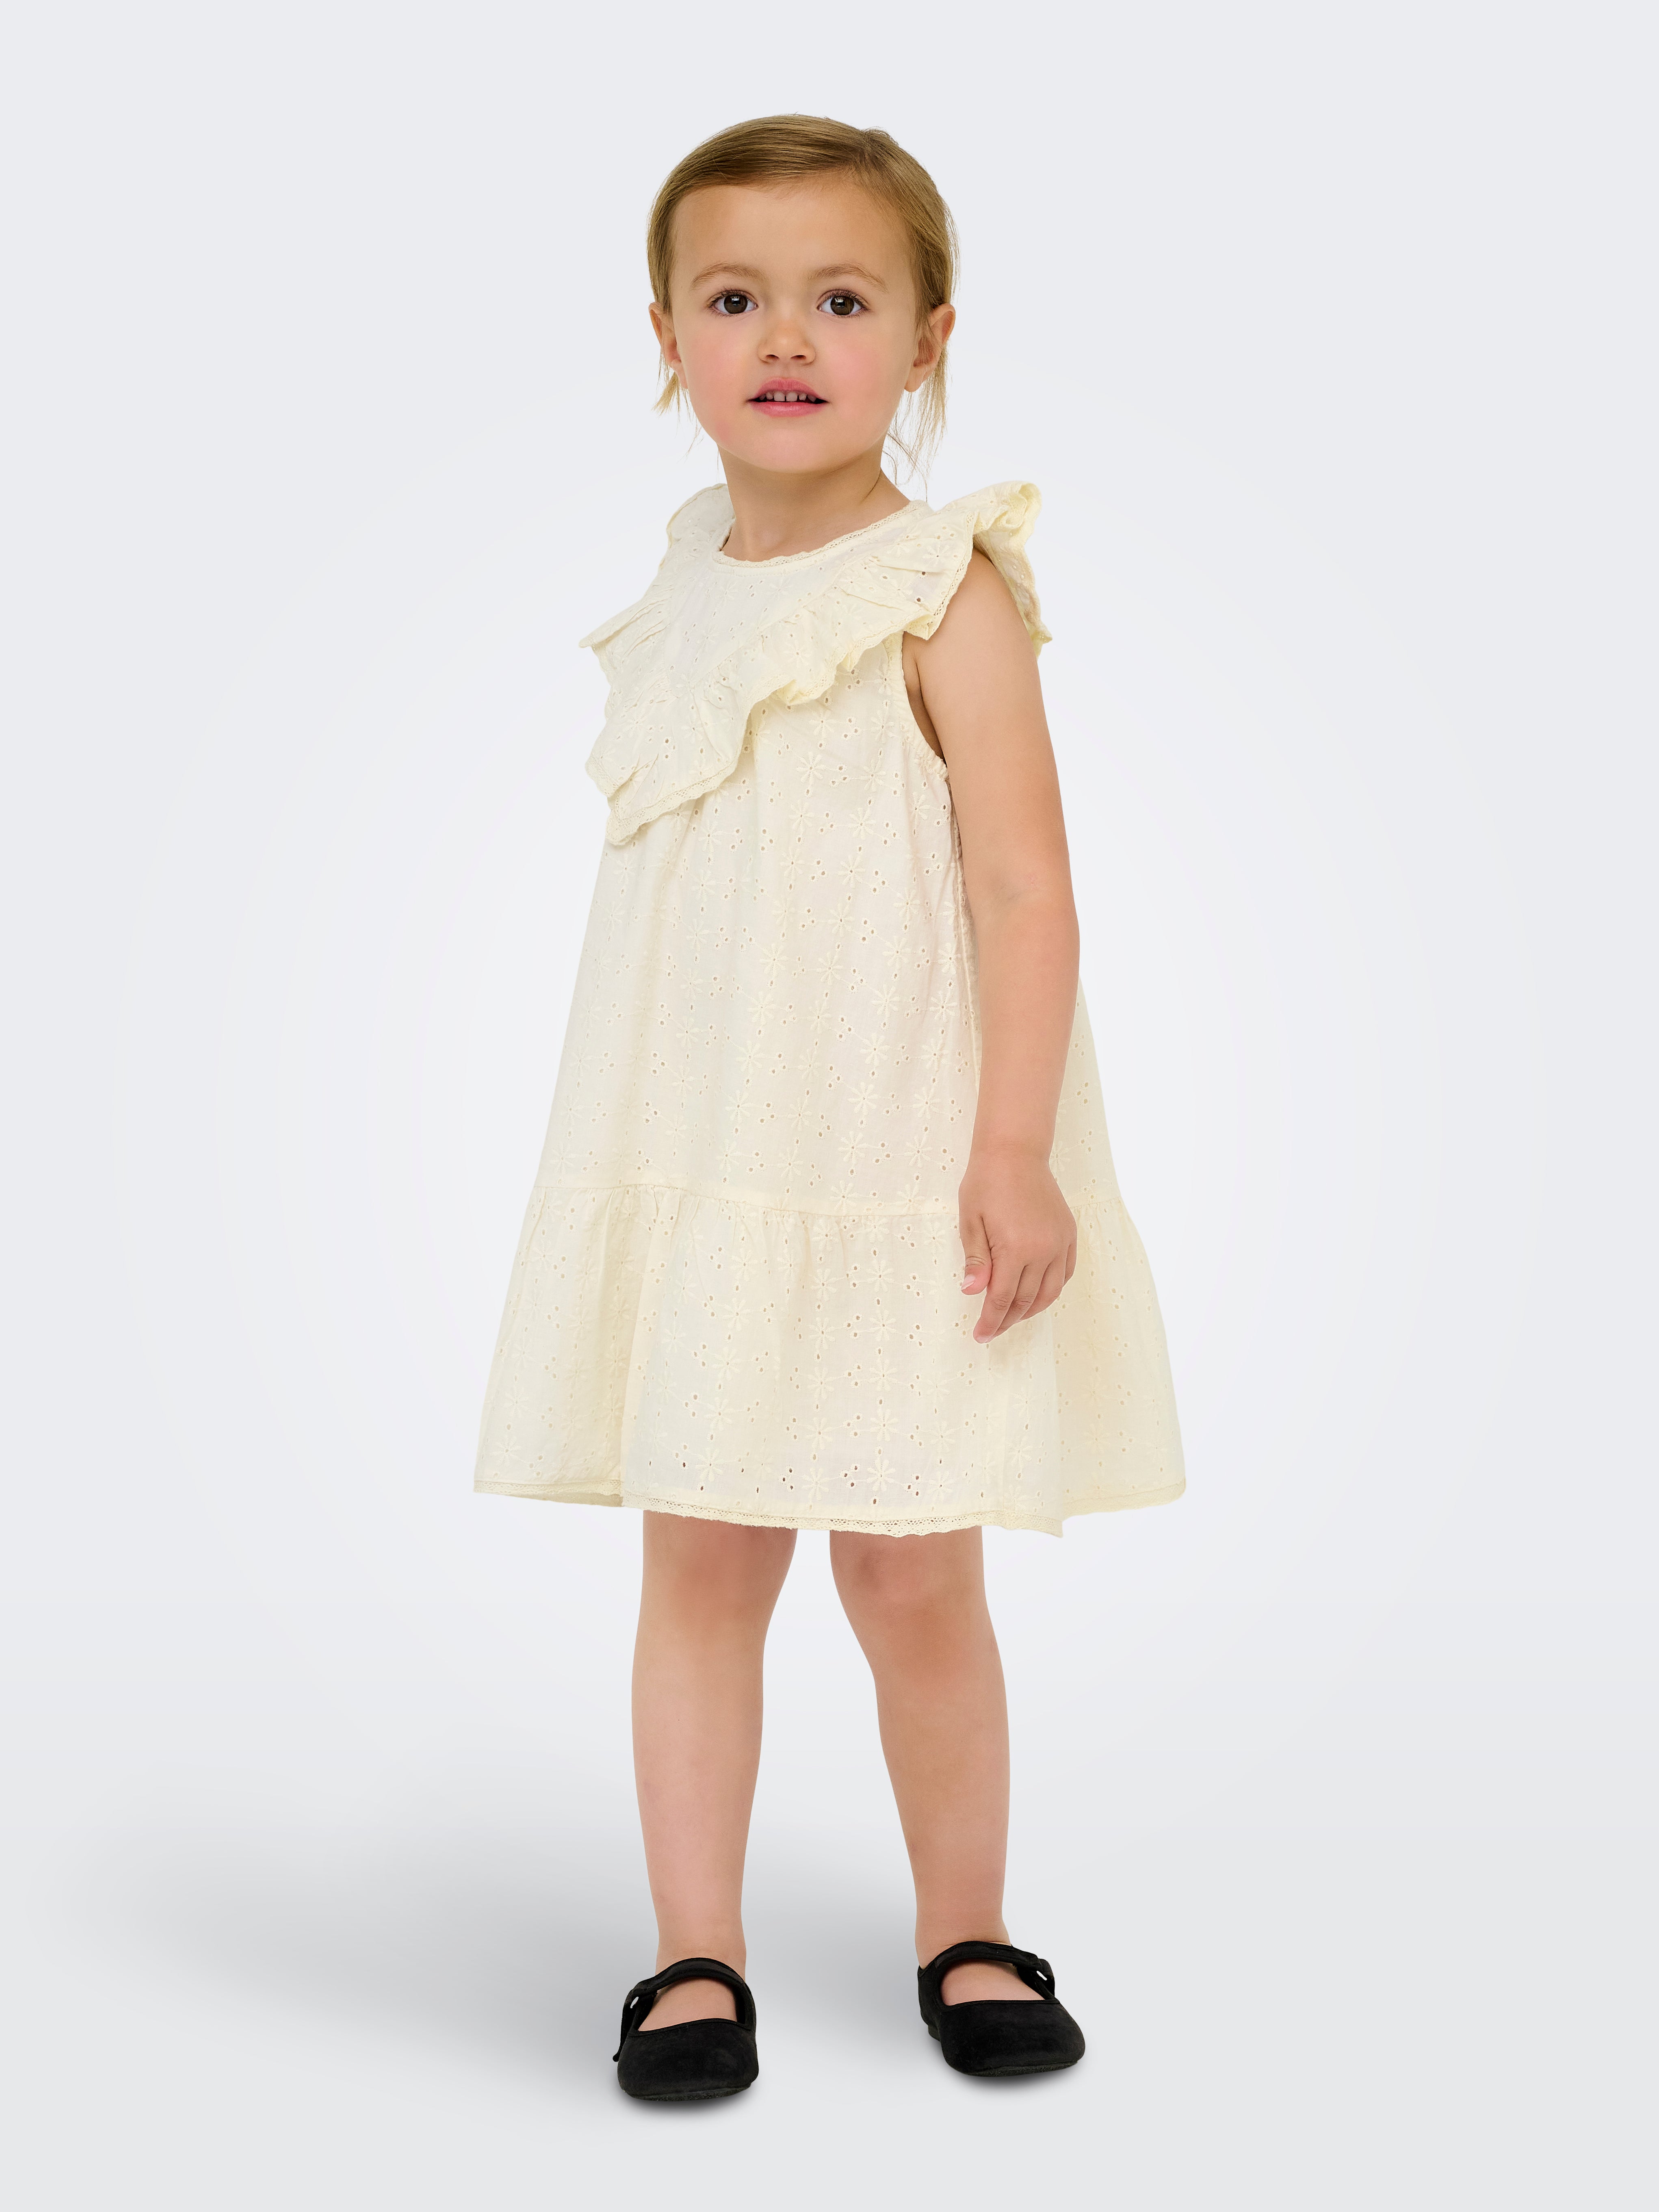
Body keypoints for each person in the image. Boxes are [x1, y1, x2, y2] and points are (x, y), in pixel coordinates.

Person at [474, 114, 1185, 2100]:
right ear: (667, 339)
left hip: (899, 1164)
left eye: (842, 299)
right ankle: (692, 1951)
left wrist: (1011, 1145)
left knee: (912, 1568)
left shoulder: (944, 589)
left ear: (928, 339)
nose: (785, 336)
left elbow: (1024, 886)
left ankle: (968, 1922)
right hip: (711, 1158)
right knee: (701, 1565)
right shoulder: (687, 578)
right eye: (735, 297)